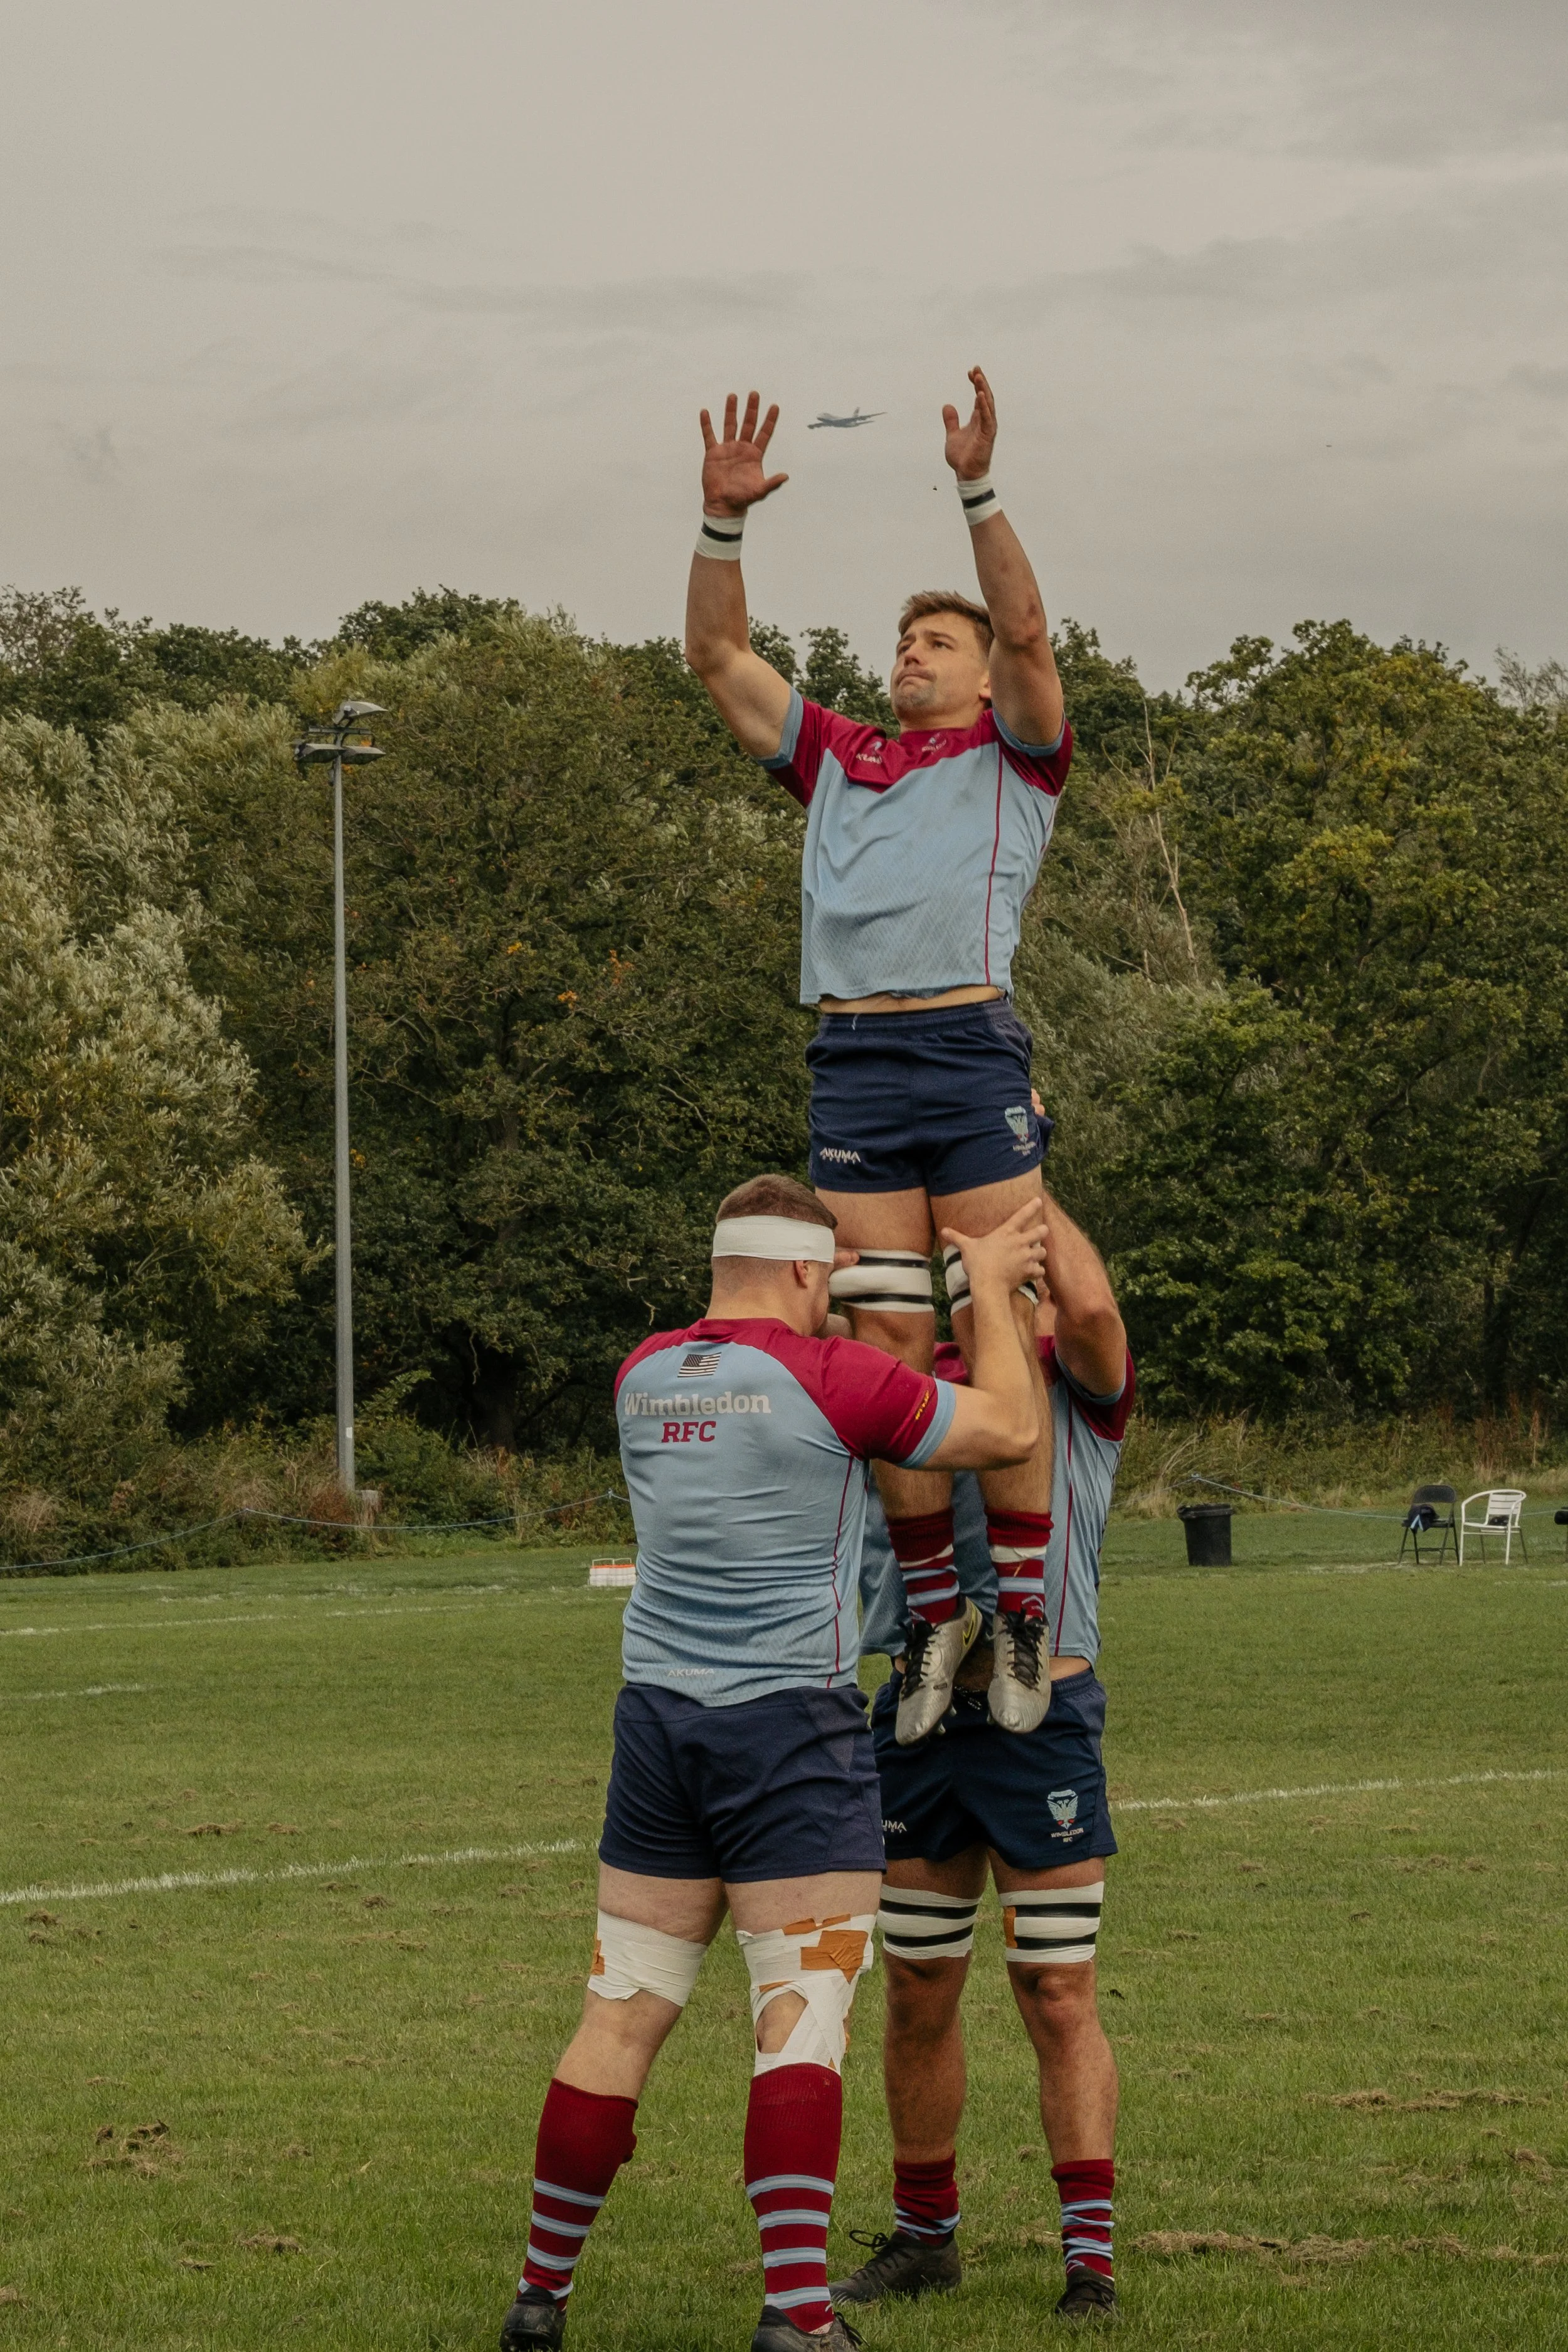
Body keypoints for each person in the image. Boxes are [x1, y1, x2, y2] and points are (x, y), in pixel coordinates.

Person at [497, 1172, 1049, 2352]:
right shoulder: (832, 1377)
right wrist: (989, 1294)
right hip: (788, 1734)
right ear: (810, 1270)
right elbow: (1009, 1428)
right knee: (799, 2023)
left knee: (619, 2013)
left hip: (655, 1728)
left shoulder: (643, 1375)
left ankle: (540, 2298)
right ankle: (799, 2317)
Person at [684, 371, 1072, 1749]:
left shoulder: (1020, 751)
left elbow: (1025, 624)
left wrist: (974, 488)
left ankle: (1018, 1604)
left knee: (999, 1324)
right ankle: (927, 1622)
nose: (908, 653)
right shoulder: (842, 756)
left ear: (977, 674)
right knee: (886, 1344)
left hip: (967, 1050)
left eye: (932, 641)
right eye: (901, 637)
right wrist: (720, 525)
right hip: (850, 1064)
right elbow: (720, 664)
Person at [832, 1190, 1133, 2325]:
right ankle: (925, 2238)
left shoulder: (1077, 1385)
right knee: (916, 1989)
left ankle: (1091, 2262)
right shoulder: (913, 1386)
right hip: (917, 1717)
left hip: (1040, 1717)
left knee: (1055, 1991)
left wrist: (1006, 1165)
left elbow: (1095, 1300)